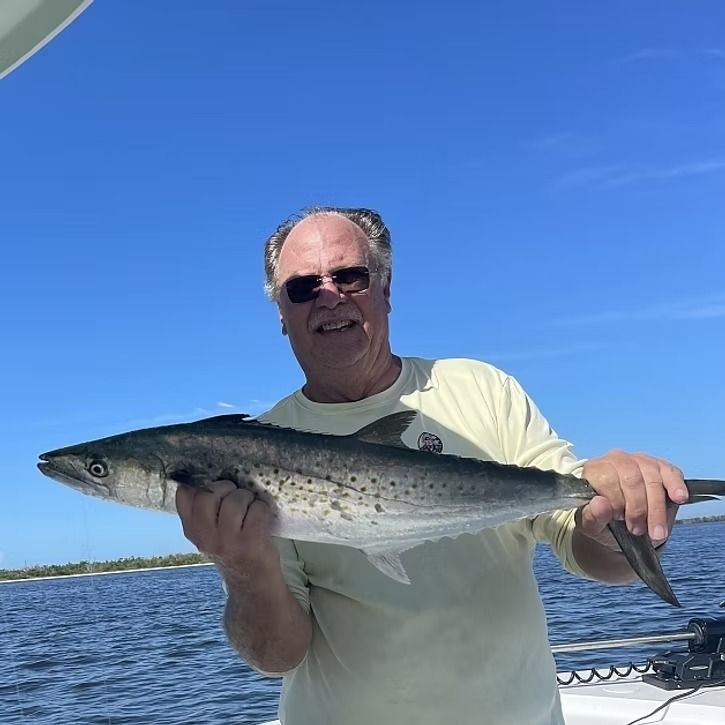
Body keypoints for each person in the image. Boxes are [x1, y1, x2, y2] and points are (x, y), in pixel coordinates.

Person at [175, 207, 688, 725]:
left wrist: (624, 515)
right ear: (282, 316)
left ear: (386, 289)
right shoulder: (251, 453)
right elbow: (275, 655)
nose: (329, 295)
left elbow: (590, 550)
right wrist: (243, 568)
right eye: (303, 288)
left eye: (350, 276)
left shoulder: (482, 390)